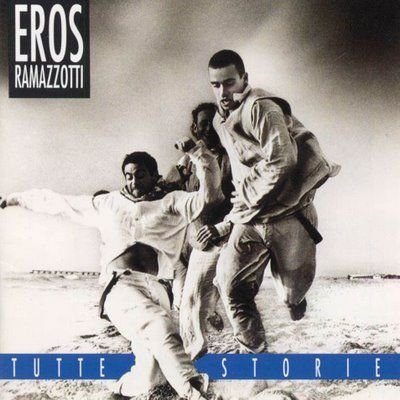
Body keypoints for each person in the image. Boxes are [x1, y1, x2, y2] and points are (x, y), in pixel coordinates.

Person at [0, 140, 224, 399]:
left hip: (159, 289)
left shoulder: (172, 202)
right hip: (121, 287)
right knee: (161, 327)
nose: (134, 181)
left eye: (141, 175)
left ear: (155, 175)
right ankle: (195, 392)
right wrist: (13, 199)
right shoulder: (107, 203)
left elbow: (210, 196)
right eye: (128, 176)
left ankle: (119, 390)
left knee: (153, 374)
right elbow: (58, 202)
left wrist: (198, 153)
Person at [198, 49, 340, 354]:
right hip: (251, 220)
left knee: (291, 295)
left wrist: (247, 194)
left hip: (289, 215)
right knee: (230, 286)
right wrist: (233, 215)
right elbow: (242, 169)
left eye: (229, 82)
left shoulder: (261, 107)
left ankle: (295, 300)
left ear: (244, 78)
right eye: (216, 85)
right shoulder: (221, 119)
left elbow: (282, 160)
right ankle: (256, 355)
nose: (223, 92)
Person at [166, 103, 234, 360]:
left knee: (201, 299)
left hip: (223, 237)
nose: (208, 129)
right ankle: (207, 319)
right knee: (182, 300)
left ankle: (194, 356)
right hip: (190, 240)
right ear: (194, 128)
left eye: (214, 123)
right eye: (203, 123)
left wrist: (222, 228)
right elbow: (166, 190)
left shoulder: (232, 158)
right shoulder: (186, 162)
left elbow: (247, 202)